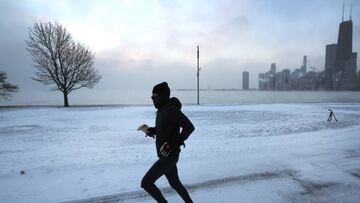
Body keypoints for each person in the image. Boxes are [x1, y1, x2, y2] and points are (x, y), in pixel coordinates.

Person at [141, 82, 194, 203]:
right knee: (175, 184)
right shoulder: (160, 111)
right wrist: (153, 131)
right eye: (152, 97)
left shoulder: (172, 110)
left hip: (169, 157)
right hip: (165, 155)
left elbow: (189, 127)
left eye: (155, 97)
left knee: (146, 183)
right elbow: (164, 128)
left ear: (163, 96)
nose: (153, 99)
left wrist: (174, 144)